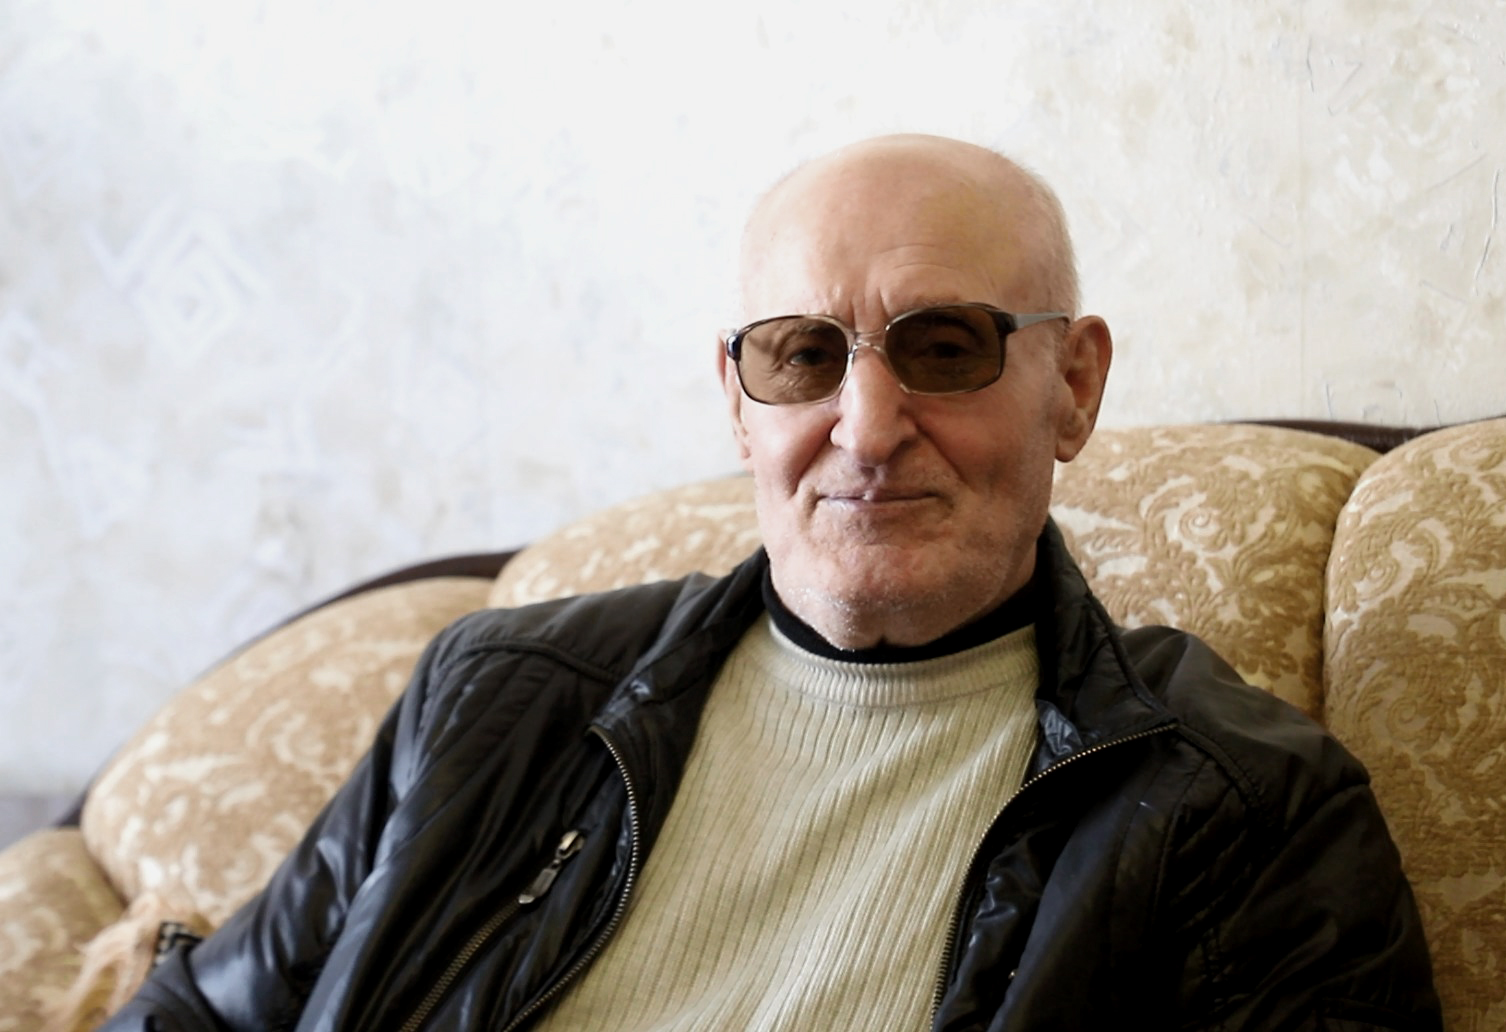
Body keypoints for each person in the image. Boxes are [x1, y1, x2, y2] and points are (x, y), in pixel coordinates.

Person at [103, 134, 1441, 1030]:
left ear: (1074, 385)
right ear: (739, 403)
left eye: (945, 346)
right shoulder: (499, 692)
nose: (867, 425)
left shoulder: (1245, 813)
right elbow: (208, 1013)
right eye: (802, 355)